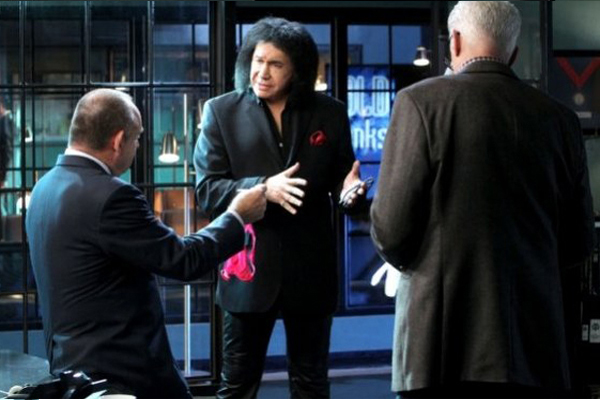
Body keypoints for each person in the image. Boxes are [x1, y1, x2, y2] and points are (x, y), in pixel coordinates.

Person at [370, 1, 594, 398]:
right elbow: (578, 242)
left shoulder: (419, 103)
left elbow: (390, 229)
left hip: (440, 344)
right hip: (535, 346)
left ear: (454, 42)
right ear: (514, 53)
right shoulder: (560, 120)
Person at [25, 89, 267, 399]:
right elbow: (184, 260)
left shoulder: (43, 188)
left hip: (73, 370)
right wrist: (237, 215)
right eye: (137, 138)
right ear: (118, 140)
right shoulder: (112, 196)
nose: (138, 146)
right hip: (125, 377)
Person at [194, 17, 367, 399]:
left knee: (311, 384)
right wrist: (262, 188)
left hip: (311, 270)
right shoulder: (221, 112)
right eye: (258, 61)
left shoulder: (329, 112)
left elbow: (343, 180)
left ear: (298, 70)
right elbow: (207, 191)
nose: (263, 72)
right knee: (237, 387)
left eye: (276, 64)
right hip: (247, 271)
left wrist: (351, 192)